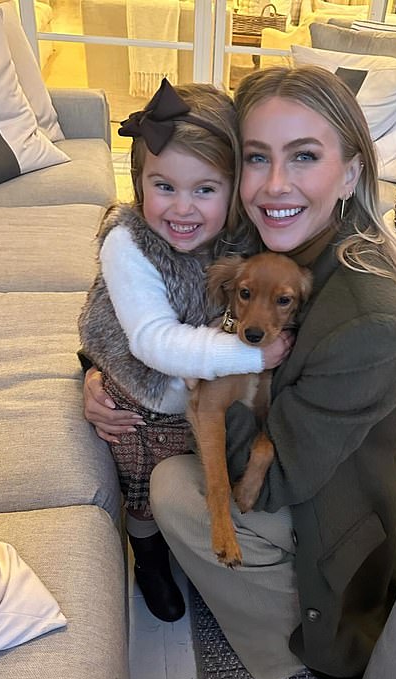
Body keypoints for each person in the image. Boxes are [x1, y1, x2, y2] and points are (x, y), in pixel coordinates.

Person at [84, 65, 396, 679]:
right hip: (273, 438)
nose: (274, 184)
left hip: (319, 504)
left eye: (305, 156)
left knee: (173, 489)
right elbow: (143, 313)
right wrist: (101, 373)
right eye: (258, 157)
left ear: (351, 171)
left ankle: (288, 639)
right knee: (158, 465)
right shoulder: (253, 236)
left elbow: (267, 479)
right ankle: (168, 555)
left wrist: (205, 378)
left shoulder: (364, 316)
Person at [78, 78, 292, 623]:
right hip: (140, 392)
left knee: (193, 464)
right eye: (163, 186)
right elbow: (152, 341)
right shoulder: (128, 243)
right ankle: (146, 553)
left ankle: (183, 539)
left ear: (233, 189)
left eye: (204, 189)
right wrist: (253, 357)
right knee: (143, 483)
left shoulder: (241, 241)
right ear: (138, 183)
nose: (182, 208)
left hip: (194, 393)